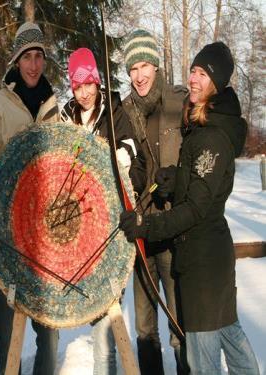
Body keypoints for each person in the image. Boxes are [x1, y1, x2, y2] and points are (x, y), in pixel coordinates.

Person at [119, 41, 260, 375]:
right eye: (193, 71)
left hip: (203, 263)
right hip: (207, 255)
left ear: (217, 83)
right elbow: (200, 186)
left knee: (200, 360)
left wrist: (146, 226)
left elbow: (196, 208)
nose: (194, 79)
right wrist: (176, 178)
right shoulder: (205, 125)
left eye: (202, 73)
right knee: (232, 339)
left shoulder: (211, 135)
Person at [60, 47, 146, 375]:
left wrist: (112, 161)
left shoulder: (115, 110)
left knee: (107, 326)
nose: (84, 93)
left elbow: (132, 155)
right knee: (96, 319)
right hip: (82, 233)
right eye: (77, 86)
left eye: (89, 84)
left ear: (97, 81)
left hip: (112, 230)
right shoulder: (68, 116)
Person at [0, 22, 60, 375]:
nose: (33, 65)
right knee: (8, 331)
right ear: (16, 60)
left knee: (50, 331)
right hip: (8, 239)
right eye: (27, 57)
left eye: (38, 57)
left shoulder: (53, 104)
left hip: (45, 239)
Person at [121, 29, 188, 374]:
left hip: (174, 231)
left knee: (180, 328)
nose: (139, 75)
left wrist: (177, 178)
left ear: (156, 66)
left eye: (144, 65)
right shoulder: (124, 111)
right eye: (132, 68)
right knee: (146, 330)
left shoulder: (179, 102)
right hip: (142, 233)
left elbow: (202, 155)